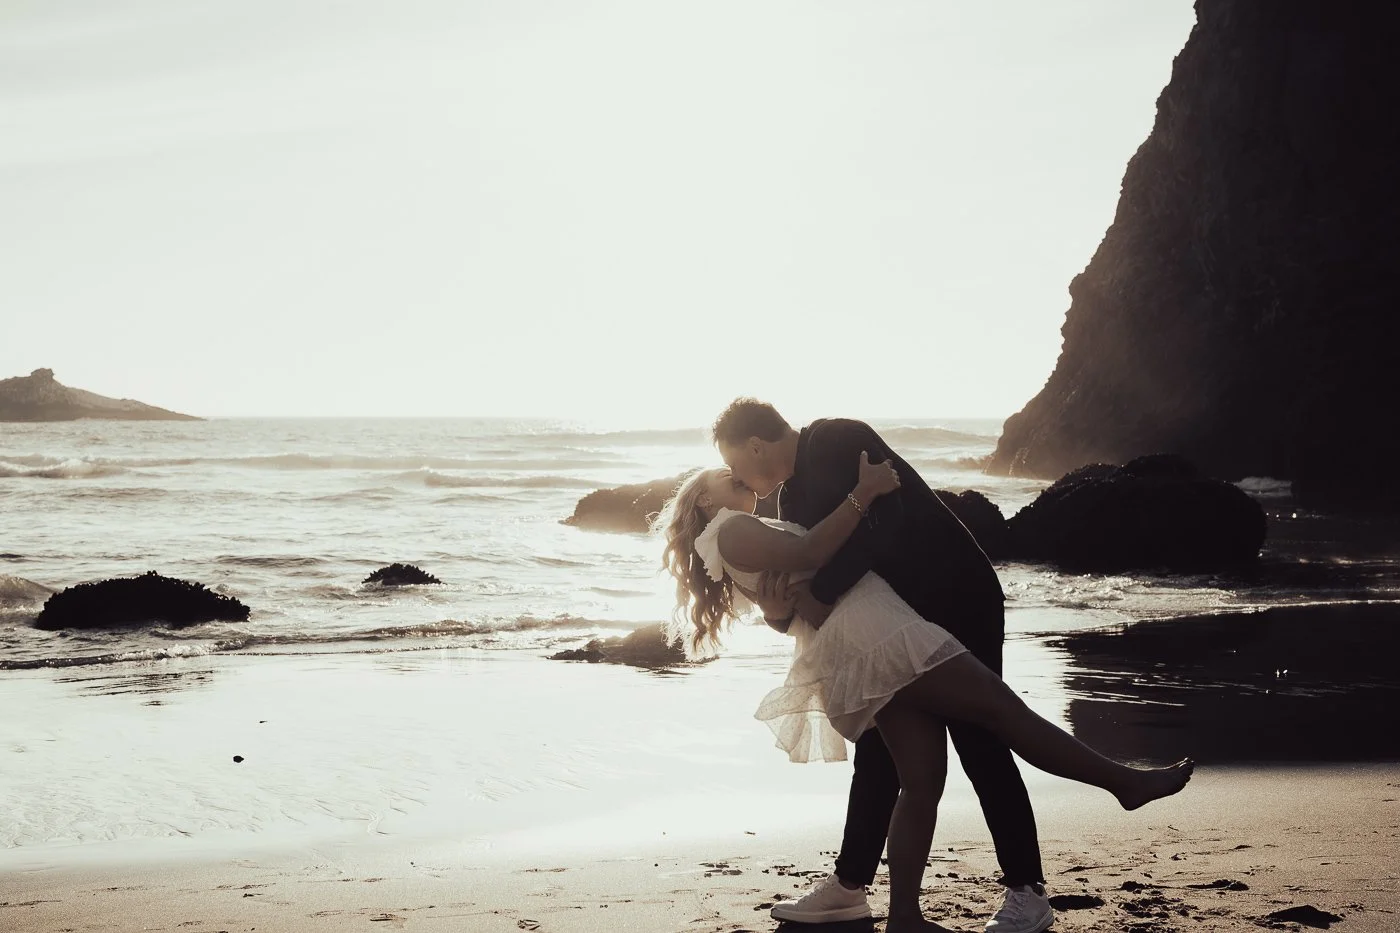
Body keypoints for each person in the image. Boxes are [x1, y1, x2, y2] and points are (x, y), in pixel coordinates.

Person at [655, 399, 1192, 933]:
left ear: (754, 446)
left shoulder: (837, 438)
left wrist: (819, 590)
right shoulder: (785, 502)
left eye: (737, 465)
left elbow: (887, 521)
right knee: (889, 759)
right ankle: (856, 890)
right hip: (887, 628)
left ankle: (1025, 888)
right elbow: (796, 588)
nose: (742, 479)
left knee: (983, 740)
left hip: (955, 594)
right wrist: (786, 607)